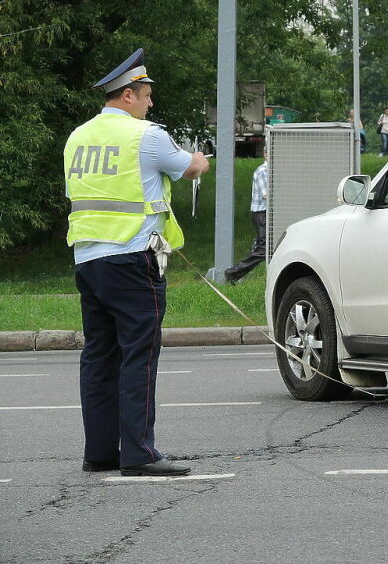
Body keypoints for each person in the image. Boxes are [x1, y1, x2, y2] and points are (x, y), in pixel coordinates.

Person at [64, 48, 209, 476]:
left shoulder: (78, 136)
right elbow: (190, 167)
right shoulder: (145, 135)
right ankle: (140, 454)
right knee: (138, 356)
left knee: (98, 357)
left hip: (88, 258)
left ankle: (101, 453)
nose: (150, 103)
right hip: (131, 259)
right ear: (127, 95)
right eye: (145, 95)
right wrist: (200, 160)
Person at [224, 147, 268, 283]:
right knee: (263, 249)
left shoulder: (271, 171)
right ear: (265, 154)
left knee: (265, 247)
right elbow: (268, 195)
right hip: (262, 213)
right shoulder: (263, 171)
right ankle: (233, 273)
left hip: (265, 213)